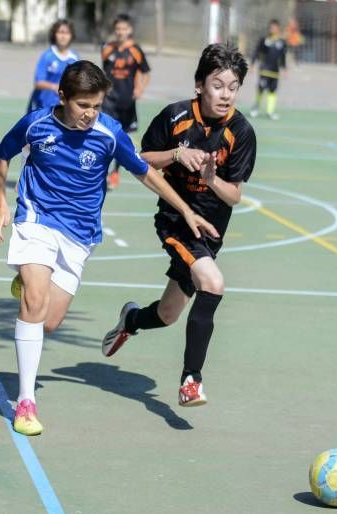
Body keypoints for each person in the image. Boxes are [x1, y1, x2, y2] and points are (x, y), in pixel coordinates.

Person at [0, 60, 217, 436]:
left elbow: (146, 173)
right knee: (34, 300)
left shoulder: (109, 133)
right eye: (83, 105)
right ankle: (26, 400)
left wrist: (186, 210)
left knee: (49, 321)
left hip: (79, 235)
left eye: (96, 105)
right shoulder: (36, 124)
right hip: (36, 219)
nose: (90, 114)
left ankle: (32, 286)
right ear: (63, 97)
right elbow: (2, 155)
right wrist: (0, 200)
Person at [101, 43, 256, 408]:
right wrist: (176, 154)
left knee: (169, 314)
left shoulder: (241, 132)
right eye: (218, 85)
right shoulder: (175, 117)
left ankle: (132, 320)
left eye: (232, 87)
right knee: (213, 284)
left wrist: (211, 178)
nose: (225, 94)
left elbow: (234, 195)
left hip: (210, 231)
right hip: (176, 220)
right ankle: (191, 381)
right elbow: (139, 160)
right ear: (200, 84)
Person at [101, 13, 151, 189]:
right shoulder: (107, 48)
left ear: (129, 30)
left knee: (121, 137)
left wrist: (140, 89)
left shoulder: (135, 50)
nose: (120, 32)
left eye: (124, 29)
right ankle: (102, 171)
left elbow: (146, 72)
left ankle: (115, 172)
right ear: (114, 30)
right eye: (118, 29)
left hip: (126, 100)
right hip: (108, 100)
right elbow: (102, 72)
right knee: (105, 134)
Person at [26, 19, 78, 114]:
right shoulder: (47, 56)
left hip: (63, 107)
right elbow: (38, 82)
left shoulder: (74, 58)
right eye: (60, 32)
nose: (63, 36)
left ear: (71, 36)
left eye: (67, 33)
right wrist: (55, 87)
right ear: (54, 34)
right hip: (43, 106)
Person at [249, 19, 286, 120]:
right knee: (260, 89)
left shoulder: (281, 42)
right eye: (271, 27)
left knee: (272, 91)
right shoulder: (264, 40)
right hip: (264, 70)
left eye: (275, 27)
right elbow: (256, 52)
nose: (273, 29)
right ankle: (256, 107)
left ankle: (270, 112)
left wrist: (284, 69)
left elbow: (283, 57)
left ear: (278, 28)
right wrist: (252, 64)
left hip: (275, 72)